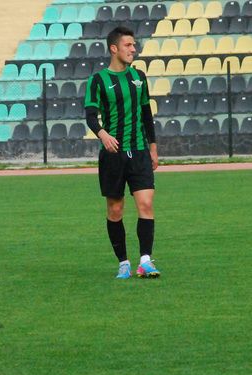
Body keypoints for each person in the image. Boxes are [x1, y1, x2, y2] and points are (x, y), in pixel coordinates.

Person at [84, 26, 161, 279]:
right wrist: (102, 134)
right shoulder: (98, 80)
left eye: (134, 45)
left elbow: (147, 114)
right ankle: (124, 262)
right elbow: (90, 115)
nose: (133, 49)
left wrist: (153, 147)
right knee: (115, 210)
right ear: (114, 48)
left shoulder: (139, 77)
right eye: (128, 45)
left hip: (139, 151)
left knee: (146, 204)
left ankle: (146, 261)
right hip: (113, 154)